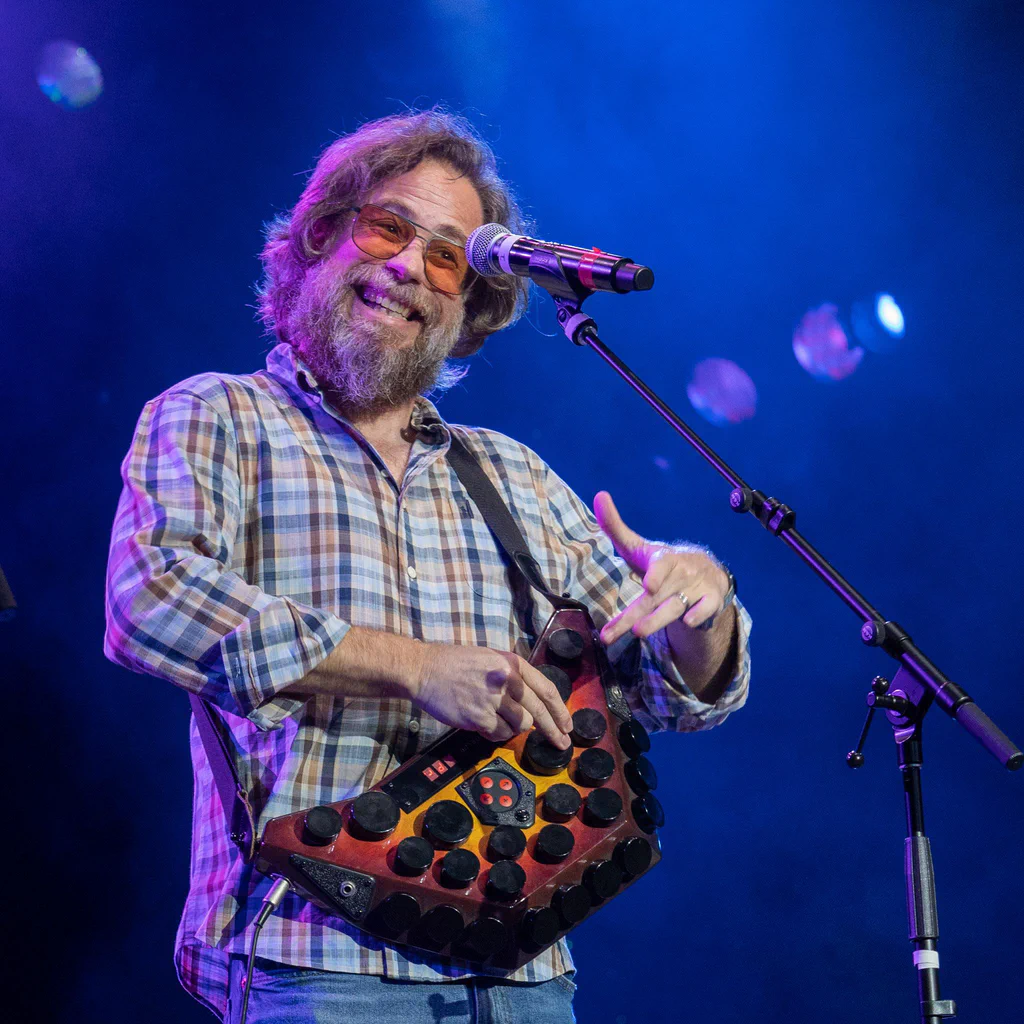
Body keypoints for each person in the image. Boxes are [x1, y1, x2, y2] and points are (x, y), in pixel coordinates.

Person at [104, 108, 752, 1024]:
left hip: (528, 978)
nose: (411, 266)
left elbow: (676, 692)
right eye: (388, 228)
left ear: (467, 305)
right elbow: (148, 602)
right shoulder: (218, 417)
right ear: (321, 238)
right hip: (317, 964)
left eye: (448, 257)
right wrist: (414, 668)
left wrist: (702, 604)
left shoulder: (512, 473)